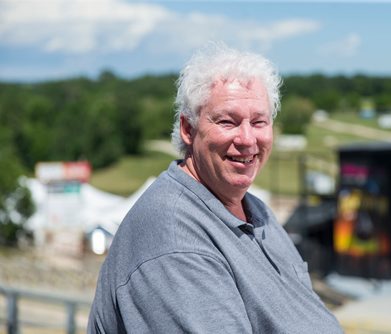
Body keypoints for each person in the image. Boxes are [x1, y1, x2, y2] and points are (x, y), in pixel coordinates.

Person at [88, 43, 343, 333]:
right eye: (227, 121)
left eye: (259, 122)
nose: (248, 139)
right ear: (188, 128)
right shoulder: (175, 238)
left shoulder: (256, 211)